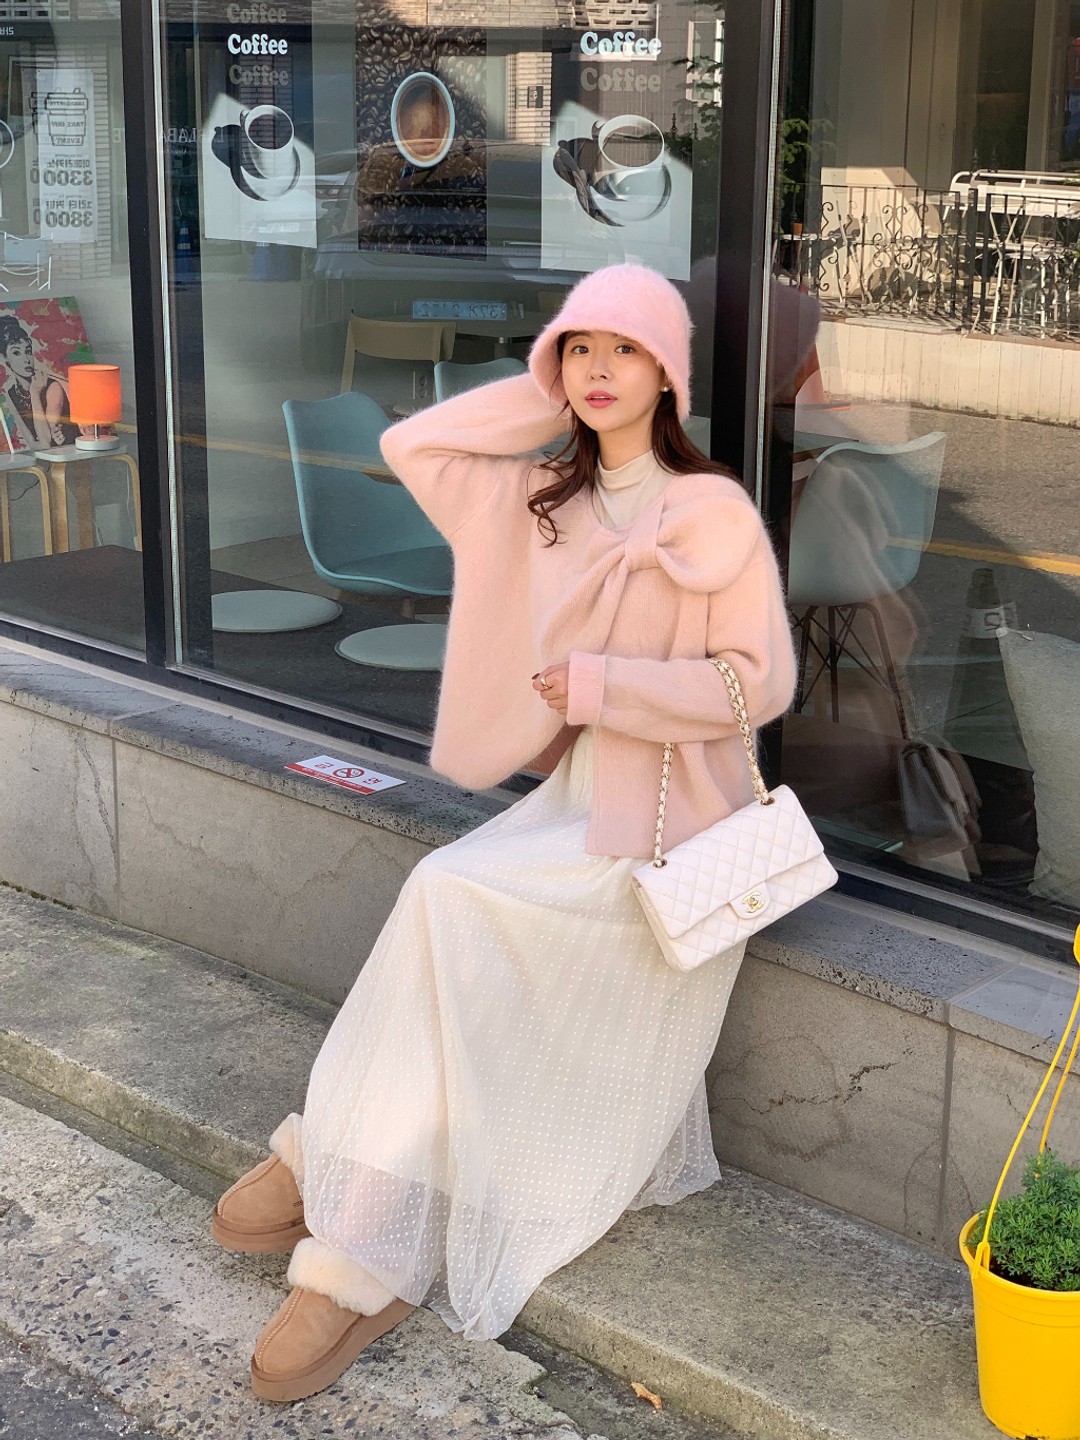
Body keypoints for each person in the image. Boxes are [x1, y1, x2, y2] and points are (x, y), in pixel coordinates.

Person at [210, 263, 797, 1404]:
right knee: (449, 897)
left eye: (624, 351)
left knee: (450, 892)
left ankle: (348, 1227)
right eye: (579, 349)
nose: (598, 370)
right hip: (574, 804)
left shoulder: (710, 510)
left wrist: (610, 684)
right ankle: (338, 1172)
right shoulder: (544, 498)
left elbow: (759, 682)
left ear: (667, 373)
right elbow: (415, 445)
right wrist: (541, 393)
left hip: (663, 828)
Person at [0, 314, 78, 449]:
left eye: (28, 351)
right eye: (16, 353)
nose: (26, 359)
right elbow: (32, 443)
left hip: (69, 453)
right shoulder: (11, 393)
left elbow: (45, 442)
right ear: (5, 358)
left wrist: (35, 393)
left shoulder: (52, 387)